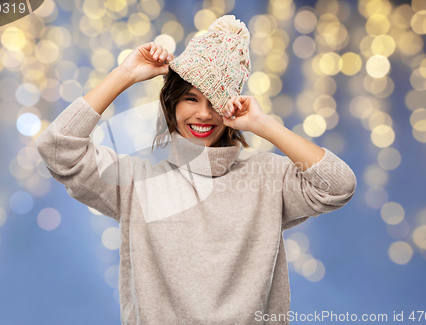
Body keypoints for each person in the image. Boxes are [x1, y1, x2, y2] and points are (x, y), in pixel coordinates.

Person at [36, 15, 357, 325]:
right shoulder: (136, 180)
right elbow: (58, 149)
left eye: (216, 100)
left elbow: (338, 185)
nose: (203, 114)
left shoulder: (268, 177)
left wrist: (263, 124)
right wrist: (126, 73)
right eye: (190, 99)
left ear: (232, 106)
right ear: (171, 103)